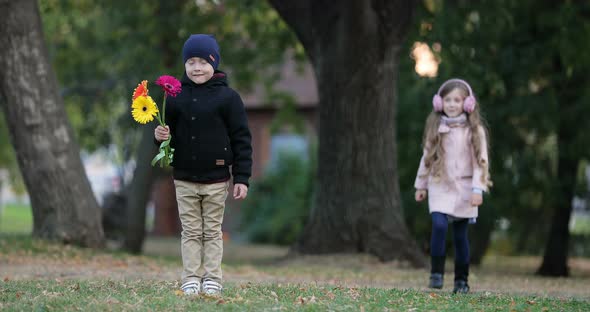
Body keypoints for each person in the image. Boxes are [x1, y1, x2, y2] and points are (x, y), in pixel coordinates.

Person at [154, 34, 252, 296]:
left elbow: (242, 139)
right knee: (190, 231)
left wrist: (241, 177)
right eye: (191, 62)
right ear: (185, 65)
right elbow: (168, 136)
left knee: (211, 231)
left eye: (202, 62)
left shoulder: (228, 98)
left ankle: (212, 278)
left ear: (214, 63)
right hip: (184, 177)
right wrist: (160, 137)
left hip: (217, 179)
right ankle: (191, 277)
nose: (196, 68)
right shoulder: (174, 97)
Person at [414, 78, 492, 294]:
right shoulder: (436, 129)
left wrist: (478, 189)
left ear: (467, 104)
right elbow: (426, 158)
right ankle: (436, 273)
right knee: (439, 225)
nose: (451, 104)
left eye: (457, 100)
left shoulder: (475, 131)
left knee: (460, 236)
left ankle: (461, 281)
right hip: (440, 185)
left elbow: (481, 162)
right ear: (439, 103)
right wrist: (421, 185)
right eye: (447, 100)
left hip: (465, 190)